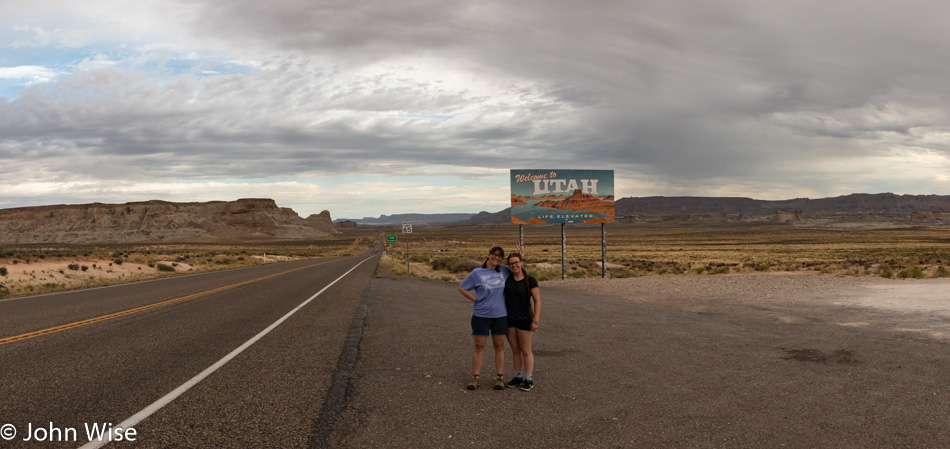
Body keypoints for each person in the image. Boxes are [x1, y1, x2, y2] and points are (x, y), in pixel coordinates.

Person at [458, 245, 520, 390]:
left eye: (500, 256)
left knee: (499, 346)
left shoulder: (504, 270)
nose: (497, 258)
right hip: (481, 315)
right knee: (479, 347)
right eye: (494, 254)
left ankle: (500, 378)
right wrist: (474, 299)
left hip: (500, 315)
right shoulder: (477, 273)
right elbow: (461, 287)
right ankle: (475, 378)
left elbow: (518, 270)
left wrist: (521, 257)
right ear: (488, 254)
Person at [503, 253, 541, 391]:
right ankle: (518, 376)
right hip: (509, 319)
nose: (514, 265)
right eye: (511, 263)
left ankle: (529, 379)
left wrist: (535, 320)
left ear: (522, 263)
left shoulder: (530, 280)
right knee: (515, 350)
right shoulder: (507, 280)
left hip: (524, 319)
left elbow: (537, 301)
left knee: (526, 350)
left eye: (516, 262)